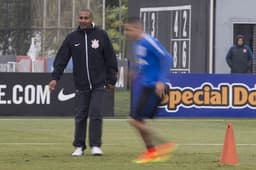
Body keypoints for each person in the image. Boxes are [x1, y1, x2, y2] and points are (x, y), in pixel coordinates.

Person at [48, 9, 118, 156]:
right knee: (80, 115)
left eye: (86, 18)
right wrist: (55, 78)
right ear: (78, 19)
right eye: (81, 18)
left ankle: (95, 146)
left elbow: (111, 59)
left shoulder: (101, 35)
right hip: (81, 85)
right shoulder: (72, 38)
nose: (83, 20)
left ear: (91, 19)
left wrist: (111, 80)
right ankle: (79, 146)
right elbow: (61, 59)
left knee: (96, 114)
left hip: (99, 84)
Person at [124, 17, 176, 164]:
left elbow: (167, 58)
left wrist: (161, 80)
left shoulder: (148, 40)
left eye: (129, 29)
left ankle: (163, 145)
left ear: (138, 28)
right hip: (148, 87)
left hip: (156, 88)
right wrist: (134, 73)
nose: (127, 33)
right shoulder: (137, 44)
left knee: (134, 120)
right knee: (135, 120)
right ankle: (151, 151)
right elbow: (147, 65)